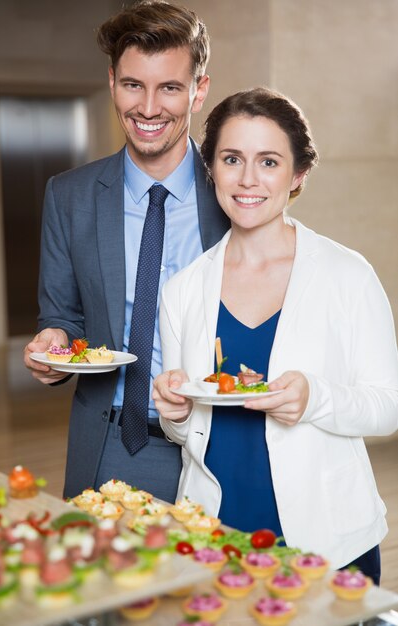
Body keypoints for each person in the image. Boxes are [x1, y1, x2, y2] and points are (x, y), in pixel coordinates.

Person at [153, 86, 398, 582]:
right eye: (231, 159)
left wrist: (315, 398)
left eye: (268, 162)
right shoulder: (182, 290)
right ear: (211, 169)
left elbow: (387, 407)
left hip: (327, 536)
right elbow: (188, 430)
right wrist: (174, 413)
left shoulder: (347, 275)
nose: (247, 179)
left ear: (298, 174)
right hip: (212, 533)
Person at [23, 0, 229, 502]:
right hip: (111, 441)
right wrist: (54, 344)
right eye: (134, 84)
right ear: (112, 81)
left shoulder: (234, 196)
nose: (149, 107)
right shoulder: (68, 196)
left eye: (170, 88)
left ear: (199, 90)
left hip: (220, 445)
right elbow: (64, 318)